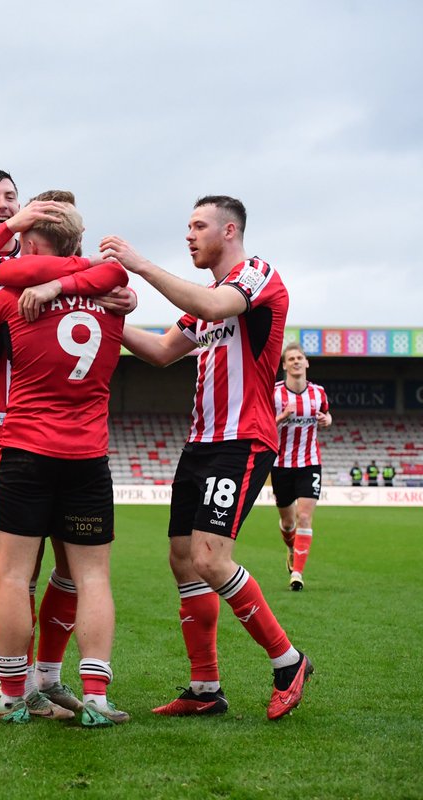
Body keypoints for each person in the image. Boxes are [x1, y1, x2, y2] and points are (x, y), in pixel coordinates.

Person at [0, 173, 133, 717]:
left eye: (11, 197)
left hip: (18, 429)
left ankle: (3, 678)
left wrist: (74, 283)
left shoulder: (33, 265)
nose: (2, 205)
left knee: (10, 564)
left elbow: (100, 274)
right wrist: (82, 279)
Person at [110, 195, 312, 721]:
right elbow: (158, 352)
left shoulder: (257, 276)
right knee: (183, 560)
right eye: (187, 226)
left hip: (242, 440)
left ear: (229, 230)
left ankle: (288, 662)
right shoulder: (203, 301)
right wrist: (100, 318)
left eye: (198, 226)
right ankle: (205, 689)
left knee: (209, 559)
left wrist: (141, 265)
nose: (189, 235)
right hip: (200, 445)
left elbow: (216, 307)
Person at [272, 343, 332, 592]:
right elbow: (261, 423)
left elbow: (327, 416)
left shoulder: (318, 393)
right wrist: (281, 417)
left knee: (304, 516)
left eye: (300, 358)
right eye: (291, 359)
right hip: (280, 464)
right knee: (288, 523)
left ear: (306, 363)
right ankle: (290, 549)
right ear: (284, 365)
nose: (296, 362)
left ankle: (297, 572)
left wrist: (326, 420)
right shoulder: (274, 394)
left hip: (310, 463)